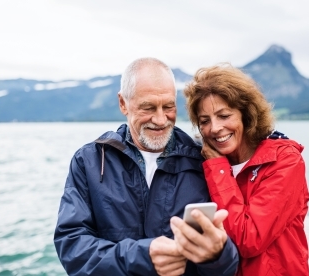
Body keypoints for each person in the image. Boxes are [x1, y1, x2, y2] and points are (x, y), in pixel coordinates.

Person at [54, 58, 239, 276]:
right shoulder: (89, 161)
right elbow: (71, 247)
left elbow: (231, 263)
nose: (161, 120)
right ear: (123, 103)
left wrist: (218, 255)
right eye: (148, 107)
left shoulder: (205, 160)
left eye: (169, 106)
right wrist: (141, 257)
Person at [181, 64, 309, 276]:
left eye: (224, 116)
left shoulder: (285, 160)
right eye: (205, 121)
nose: (214, 128)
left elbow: (249, 239)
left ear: (246, 114)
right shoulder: (205, 161)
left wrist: (218, 169)